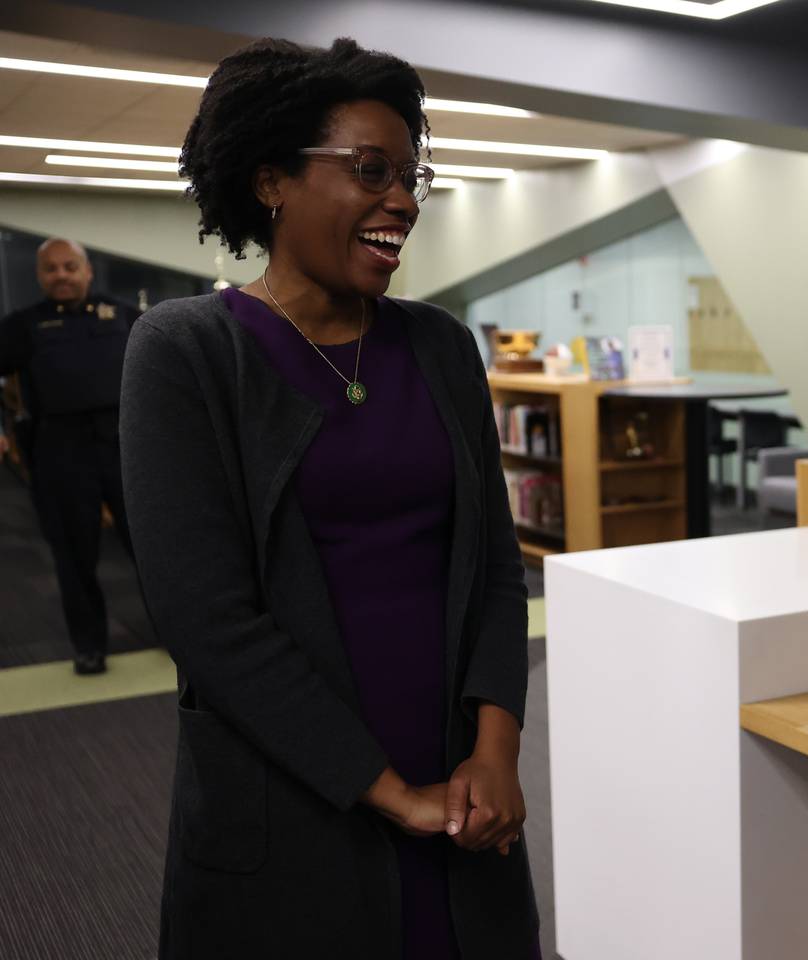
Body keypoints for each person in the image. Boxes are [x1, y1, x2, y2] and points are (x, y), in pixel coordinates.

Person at [119, 38, 539, 958]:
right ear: (271, 180)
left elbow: (498, 576)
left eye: (411, 175)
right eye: (370, 170)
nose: (403, 201)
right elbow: (208, 621)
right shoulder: (186, 352)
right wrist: (392, 793)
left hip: (463, 798)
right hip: (292, 801)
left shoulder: (440, 347)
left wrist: (495, 753)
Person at [0, 237, 138, 675]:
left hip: (127, 446)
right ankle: (89, 646)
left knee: (154, 549)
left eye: (69, 266)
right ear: (40, 276)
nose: (61, 275)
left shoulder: (122, 316)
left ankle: (179, 636)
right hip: (60, 451)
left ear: (87, 270)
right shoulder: (23, 325)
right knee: (74, 556)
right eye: (51, 268)